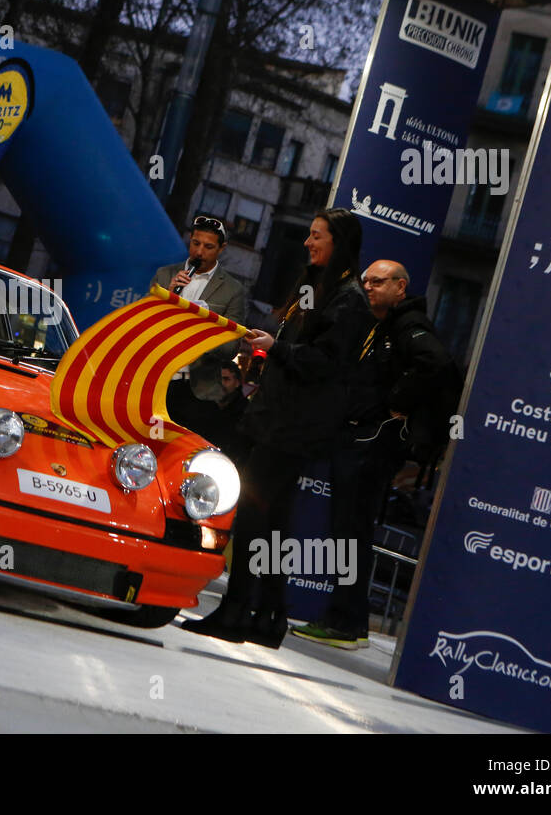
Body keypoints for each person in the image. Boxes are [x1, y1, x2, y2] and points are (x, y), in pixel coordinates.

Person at [182, 209, 372, 649]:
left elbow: (325, 362)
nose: (307, 242)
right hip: (280, 420)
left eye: (317, 236)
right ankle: (268, 617)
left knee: (254, 517)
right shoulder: (320, 289)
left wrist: (277, 348)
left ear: (339, 241)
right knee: (273, 524)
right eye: (308, 234)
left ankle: (236, 611)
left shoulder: (347, 299)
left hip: (291, 427)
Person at [293, 259, 458, 649]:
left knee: (350, 533)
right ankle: (351, 622)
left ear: (400, 287)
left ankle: (344, 624)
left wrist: (396, 402)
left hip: (372, 446)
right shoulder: (383, 324)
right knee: (349, 532)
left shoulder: (407, 324)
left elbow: (437, 363)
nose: (369, 287)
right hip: (361, 441)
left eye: (379, 282)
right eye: (366, 281)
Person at [150, 215, 246, 428]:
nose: (199, 252)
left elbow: (232, 347)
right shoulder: (165, 275)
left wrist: (203, 331)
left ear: (222, 248)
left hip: (197, 390)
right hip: (155, 381)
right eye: (195, 243)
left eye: (209, 246)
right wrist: (167, 294)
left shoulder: (233, 290)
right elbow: (142, 323)